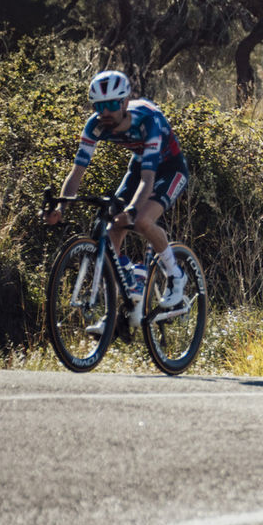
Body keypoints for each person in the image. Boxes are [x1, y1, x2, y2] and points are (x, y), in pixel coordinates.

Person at [44, 70, 190, 331]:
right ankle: (121, 303)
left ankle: (176, 276)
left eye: (111, 105)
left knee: (142, 221)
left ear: (124, 103)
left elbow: (148, 179)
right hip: (140, 163)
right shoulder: (95, 125)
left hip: (169, 168)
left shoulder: (148, 122)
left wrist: (133, 210)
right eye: (99, 106)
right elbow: (77, 173)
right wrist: (61, 206)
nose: (105, 112)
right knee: (112, 229)